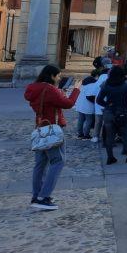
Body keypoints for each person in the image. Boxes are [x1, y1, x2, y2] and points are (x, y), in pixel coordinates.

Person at [24, 65, 81, 210]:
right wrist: (76, 90)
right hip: (52, 129)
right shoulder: (50, 89)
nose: (60, 78)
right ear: (51, 76)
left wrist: (59, 93)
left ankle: (36, 195)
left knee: (40, 164)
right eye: (58, 76)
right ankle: (44, 197)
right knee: (58, 161)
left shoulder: (34, 88)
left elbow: (47, 102)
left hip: (40, 128)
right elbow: (68, 104)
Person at [96, 66, 127, 165]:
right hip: (122, 112)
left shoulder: (106, 84)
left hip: (109, 113)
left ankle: (110, 157)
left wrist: (107, 105)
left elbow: (99, 100)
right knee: (126, 135)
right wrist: (126, 106)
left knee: (109, 136)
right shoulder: (126, 85)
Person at [76, 70, 98, 139]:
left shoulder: (85, 81)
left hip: (80, 103)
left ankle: (80, 134)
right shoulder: (94, 83)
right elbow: (90, 96)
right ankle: (86, 134)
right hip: (88, 105)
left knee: (81, 119)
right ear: (97, 76)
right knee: (89, 120)